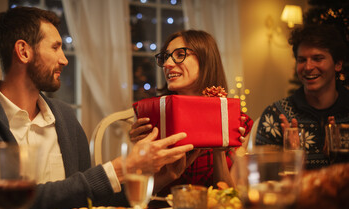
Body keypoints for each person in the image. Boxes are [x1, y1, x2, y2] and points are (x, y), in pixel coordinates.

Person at [0, 7, 194, 209]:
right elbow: (20, 204)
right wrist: (121, 167)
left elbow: (89, 206)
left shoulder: (65, 117)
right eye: (55, 47)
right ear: (23, 51)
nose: (64, 59)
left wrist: (156, 179)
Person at [129, 30, 253, 192]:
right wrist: (139, 152)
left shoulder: (237, 122)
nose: (167, 64)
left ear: (205, 59)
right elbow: (137, 192)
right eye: (165, 57)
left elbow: (230, 199)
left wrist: (219, 153)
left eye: (180, 55)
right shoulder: (155, 116)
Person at [255, 24, 349, 169]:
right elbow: (263, 181)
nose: (308, 67)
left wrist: (341, 161)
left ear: (338, 64)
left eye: (317, 58)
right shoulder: (275, 115)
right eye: (302, 60)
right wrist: (292, 161)